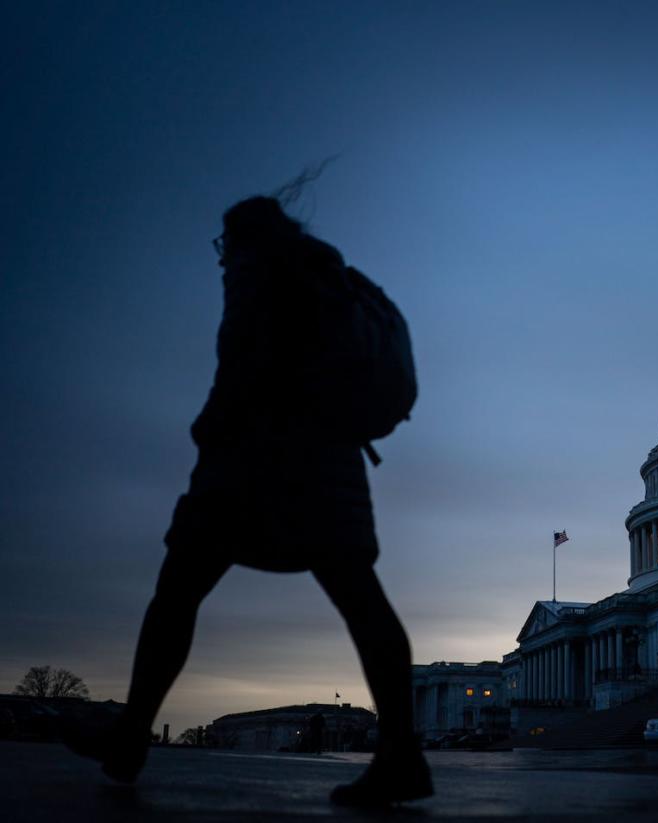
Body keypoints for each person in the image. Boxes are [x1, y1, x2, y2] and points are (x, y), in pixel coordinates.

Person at [67, 196, 431, 807]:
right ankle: (402, 752)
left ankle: (131, 733)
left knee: (177, 592)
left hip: (256, 459)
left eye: (224, 248)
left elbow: (241, 368)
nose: (223, 261)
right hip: (332, 460)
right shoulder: (332, 281)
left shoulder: (264, 276)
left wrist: (209, 432)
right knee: (361, 601)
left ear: (241, 242)